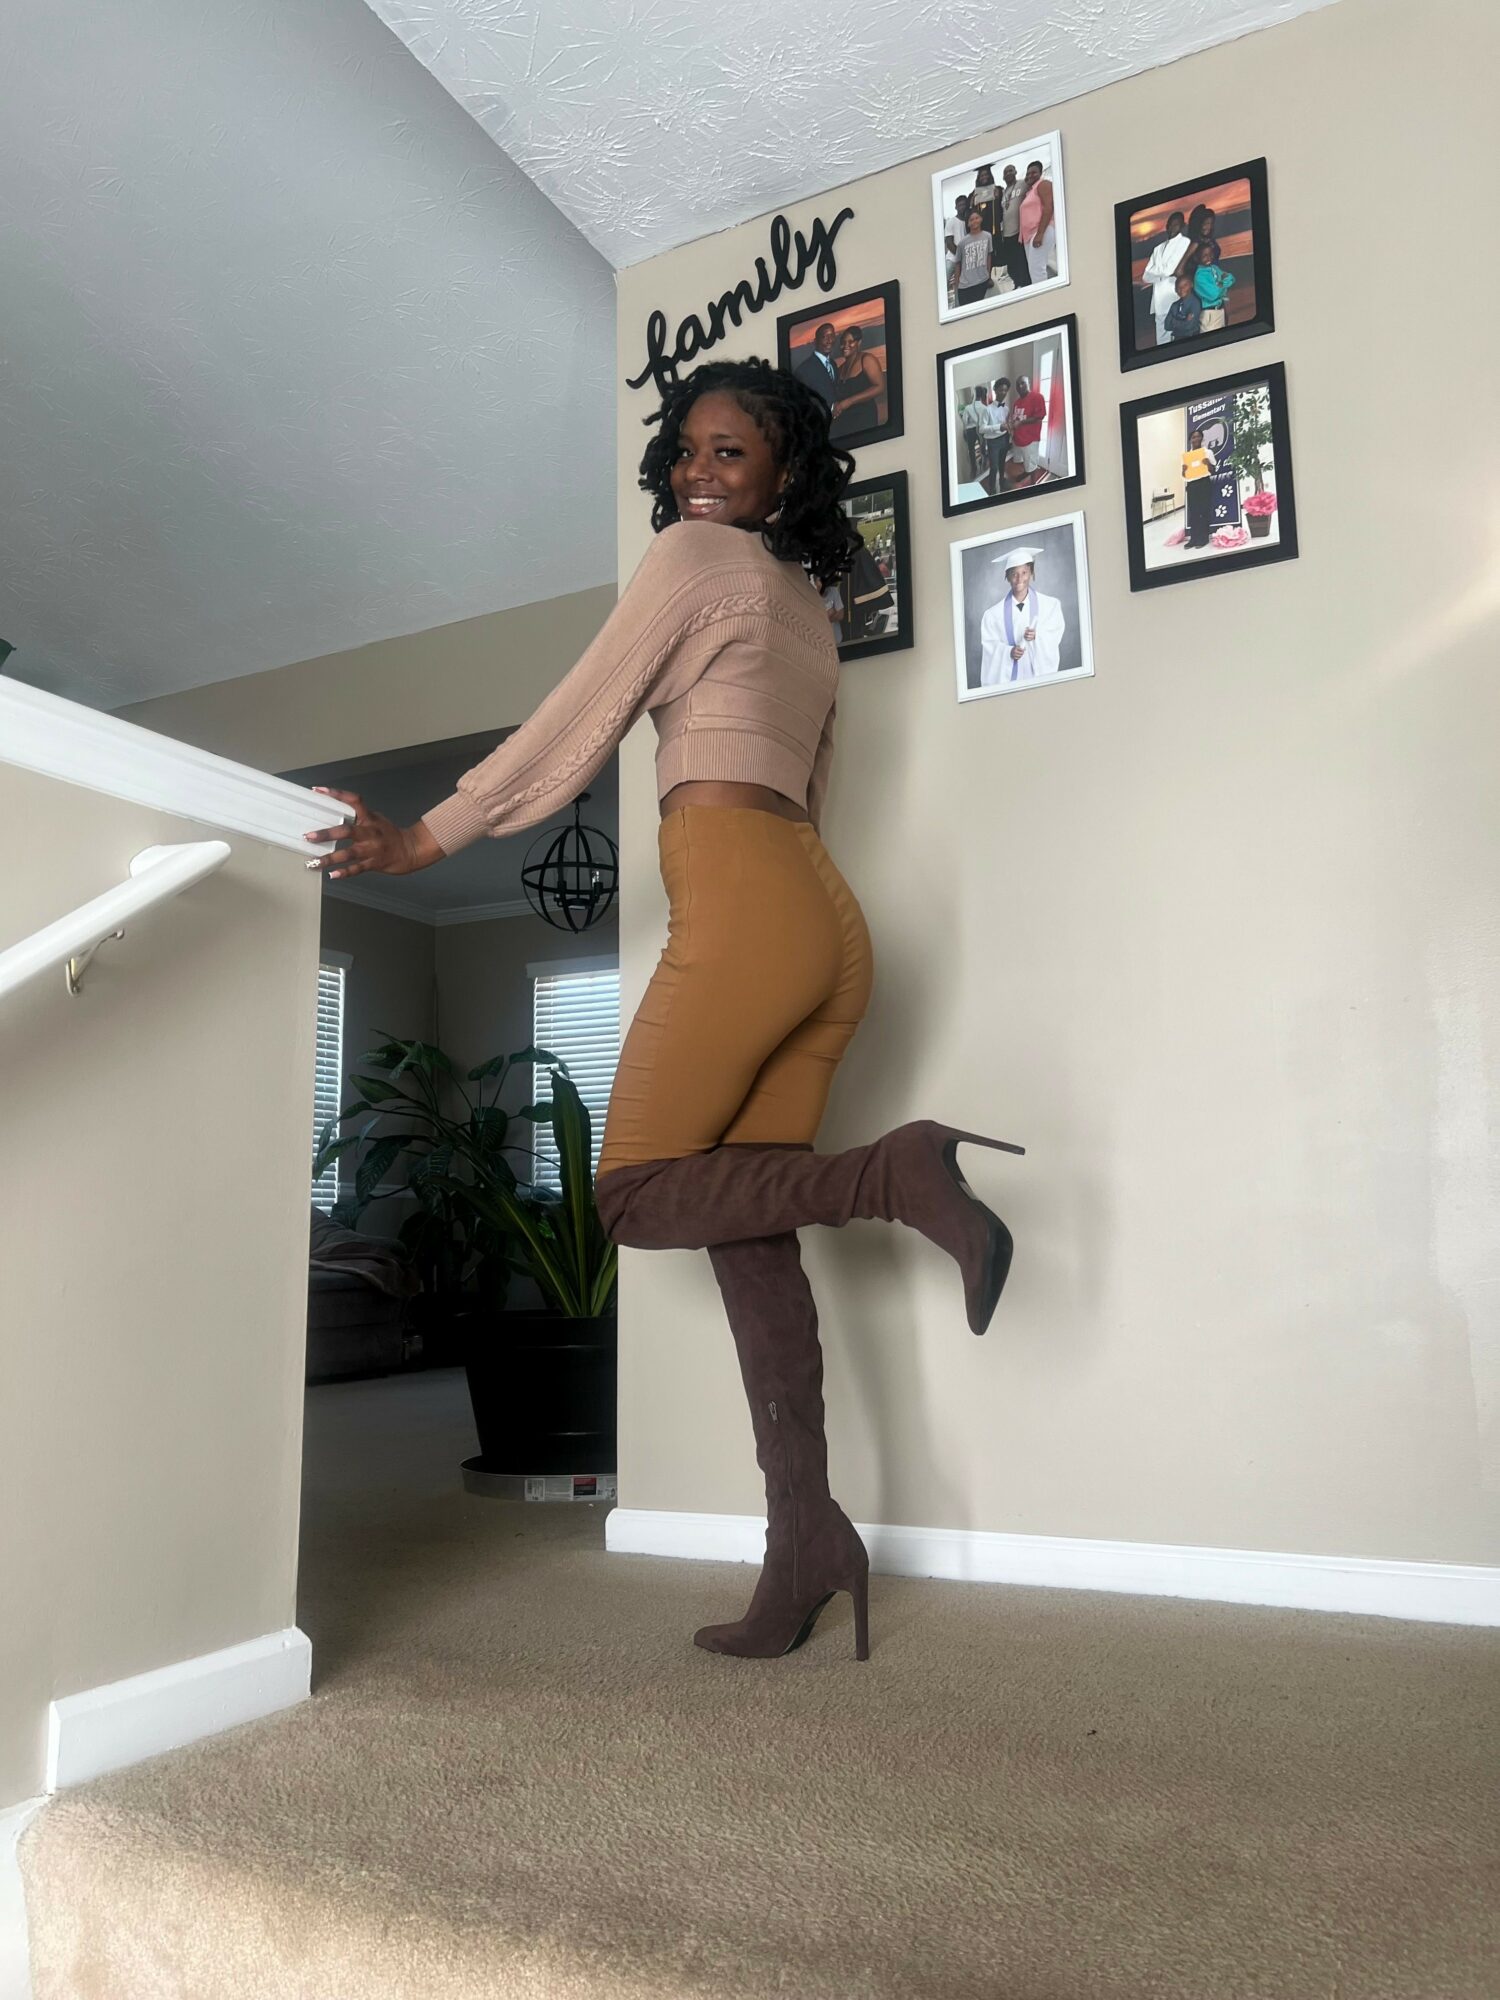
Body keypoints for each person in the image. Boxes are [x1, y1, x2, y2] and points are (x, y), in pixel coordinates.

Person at [306, 357, 1024, 1665]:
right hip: (822, 920)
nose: (697, 474)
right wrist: (789, 934)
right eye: (685, 451)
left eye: (728, 452)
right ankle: (805, 1540)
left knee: (632, 1194)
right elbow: (813, 785)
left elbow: (583, 711)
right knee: (753, 1237)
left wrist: (424, 840)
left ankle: (895, 1173)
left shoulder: (695, 565)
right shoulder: (807, 605)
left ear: (784, 471)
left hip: (750, 905)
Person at [978, 545, 1065, 685]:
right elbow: (990, 647)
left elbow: (1054, 634)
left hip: (1038, 677)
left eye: (1024, 572)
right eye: (1014, 574)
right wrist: (1008, 652)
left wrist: (1037, 635)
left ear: (1031, 573)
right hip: (1010, 683)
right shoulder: (992, 615)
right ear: (1007, 577)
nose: (1019, 579)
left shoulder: (1050, 605)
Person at [1139, 209, 1192, 345]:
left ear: (1182, 226)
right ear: (1167, 226)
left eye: (1176, 225)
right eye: (1170, 225)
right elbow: (1145, 276)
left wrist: (1156, 273)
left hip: (1175, 296)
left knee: (1179, 339)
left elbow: (1171, 269)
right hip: (1159, 301)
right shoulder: (1157, 249)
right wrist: (1161, 275)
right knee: (1161, 341)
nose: (1172, 228)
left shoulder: (1184, 242)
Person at [829, 324, 887, 441]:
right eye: (843, 342)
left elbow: (880, 387)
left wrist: (849, 401)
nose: (846, 345)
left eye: (850, 342)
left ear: (859, 342)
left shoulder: (867, 359)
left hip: (864, 418)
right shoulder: (840, 369)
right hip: (845, 422)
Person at [1018, 159, 1056, 288]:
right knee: (1034, 270)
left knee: (1037, 270)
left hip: (1040, 230)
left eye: (1034, 172)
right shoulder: (1029, 191)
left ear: (1041, 173)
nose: (1030, 175)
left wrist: (1040, 233)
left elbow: (1048, 208)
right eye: (1028, 173)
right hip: (1029, 236)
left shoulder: (1043, 184)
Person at [1181, 426, 1218, 547]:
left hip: (1204, 483)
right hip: (1192, 485)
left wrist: (1208, 464)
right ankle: (1193, 538)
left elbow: (1213, 470)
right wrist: (1183, 470)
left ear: (1202, 438)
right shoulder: (1186, 456)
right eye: (1193, 437)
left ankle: (1203, 538)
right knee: (1194, 512)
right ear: (1190, 440)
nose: (1196, 439)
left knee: (1204, 511)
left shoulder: (1207, 452)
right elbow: (1184, 476)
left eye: (1198, 436)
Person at [953, 207, 995, 309]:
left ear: (981, 219)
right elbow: (958, 264)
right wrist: (957, 284)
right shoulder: (962, 243)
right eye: (971, 220)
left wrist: (988, 275)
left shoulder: (987, 236)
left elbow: (988, 256)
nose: (974, 221)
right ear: (968, 224)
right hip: (966, 286)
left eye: (977, 218)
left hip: (982, 281)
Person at [996, 162, 1030, 290]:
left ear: (1015, 172)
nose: (1009, 173)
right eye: (1006, 172)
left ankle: (1026, 284)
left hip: (1020, 231)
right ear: (1003, 177)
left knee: (1022, 260)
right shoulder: (1004, 192)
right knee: (1011, 263)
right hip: (1007, 234)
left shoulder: (1023, 184)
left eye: (1011, 170)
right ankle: (1017, 283)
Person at [1008, 373, 1047, 483]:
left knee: (1032, 464)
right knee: (1024, 460)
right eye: (1017, 385)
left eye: (1023, 383)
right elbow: (1016, 418)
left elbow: (1040, 416)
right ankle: (1026, 473)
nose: (1020, 386)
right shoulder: (1016, 402)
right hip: (1018, 438)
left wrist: (1021, 423)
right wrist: (1011, 426)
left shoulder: (1037, 397)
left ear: (1028, 383)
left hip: (1030, 439)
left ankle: (1033, 484)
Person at [1192, 241, 1235, 333]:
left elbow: (1231, 278)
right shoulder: (1199, 276)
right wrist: (1223, 285)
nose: (1209, 257)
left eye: (1211, 254)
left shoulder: (1214, 268)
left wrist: (1220, 285)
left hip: (1220, 311)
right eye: (1205, 255)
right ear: (1198, 258)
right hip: (1210, 315)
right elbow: (1213, 295)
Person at [793, 322, 839, 404]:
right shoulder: (803, 370)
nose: (829, 341)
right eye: (824, 337)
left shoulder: (833, 364)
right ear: (815, 341)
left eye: (832, 336)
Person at [978, 380, 1009, 489]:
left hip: (1005, 438)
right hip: (993, 442)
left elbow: (1006, 424)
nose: (1003, 392)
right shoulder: (987, 409)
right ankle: (992, 489)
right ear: (995, 390)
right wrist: (998, 427)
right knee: (994, 467)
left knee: (1002, 463)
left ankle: (1002, 480)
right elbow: (981, 429)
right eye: (1001, 390)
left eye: (1005, 390)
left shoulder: (1006, 409)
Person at [1163, 267, 1202, 342]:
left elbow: (1189, 326)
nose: (1181, 289)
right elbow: (1167, 326)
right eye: (1178, 287)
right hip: (1177, 338)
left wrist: (1174, 321)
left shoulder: (1195, 303)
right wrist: (1184, 320)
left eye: (1185, 285)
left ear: (1191, 285)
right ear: (1175, 290)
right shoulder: (1174, 305)